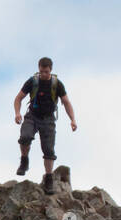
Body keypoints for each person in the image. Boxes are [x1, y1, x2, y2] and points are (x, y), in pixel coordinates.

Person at [14, 57, 76, 194]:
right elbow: (18, 98)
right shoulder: (32, 82)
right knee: (25, 137)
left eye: (46, 72)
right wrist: (17, 113)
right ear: (38, 69)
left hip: (48, 119)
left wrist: (72, 119)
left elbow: (66, 102)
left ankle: (49, 178)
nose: (43, 74)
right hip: (33, 116)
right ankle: (24, 160)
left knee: (48, 150)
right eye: (41, 71)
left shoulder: (57, 84)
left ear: (51, 70)